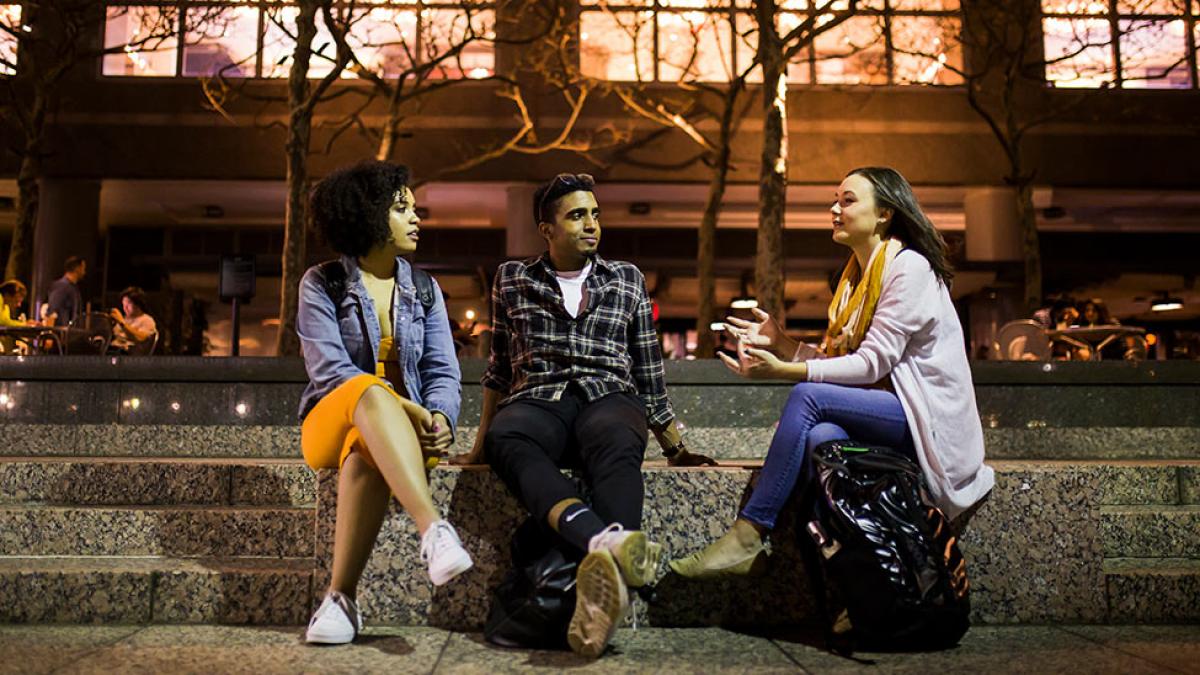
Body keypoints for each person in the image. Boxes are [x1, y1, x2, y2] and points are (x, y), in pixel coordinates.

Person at [670, 166, 994, 579]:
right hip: (890, 413)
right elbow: (845, 361)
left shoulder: (908, 268)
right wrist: (782, 342)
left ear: (885, 214)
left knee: (808, 396)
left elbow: (872, 364)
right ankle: (847, 575)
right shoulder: (856, 278)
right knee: (822, 439)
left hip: (925, 425)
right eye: (835, 200)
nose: (834, 209)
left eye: (847, 200)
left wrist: (785, 370)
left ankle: (748, 534)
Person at [453, 172, 714, 658]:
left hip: (608, 397)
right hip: (540, 399)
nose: (592, 224)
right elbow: (498, 370)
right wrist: (480, 443)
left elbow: (648, 371)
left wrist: (674, 446)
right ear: (546, 229)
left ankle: (599, 601)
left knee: (615, 438)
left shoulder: (626, 278)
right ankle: (605, 541)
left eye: (595, 213)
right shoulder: (512, 278)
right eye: (577, 215)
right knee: (509, 436)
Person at [296, 160, 472, 645]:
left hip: (403, 437)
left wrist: (439, 415)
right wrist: (404, 406)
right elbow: (330, 371)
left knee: (365, 453)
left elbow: (443, 372)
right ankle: (433, 528)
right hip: (329, 422)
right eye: (401, 209)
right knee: (370, 395)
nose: (417, 218)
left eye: (415, 208)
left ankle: (339, 601)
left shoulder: (425, 289)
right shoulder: (322, 283)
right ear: (368, 216)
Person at [109, 286, 158, 353]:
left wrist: (121, 322)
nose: (125, 307)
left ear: (138, 304)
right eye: (123, 304)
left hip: (128, 354)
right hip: (113, 350)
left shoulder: (147, 320)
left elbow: (140, 338)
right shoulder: (125, 318)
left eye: (128, 303)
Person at [45, 256, 86, 327]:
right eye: (83, 268)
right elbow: (52, 311)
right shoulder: (62, 286)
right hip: (60, 333)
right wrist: (50, 333)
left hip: (69, 333)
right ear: (77, 268)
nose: (84, 272)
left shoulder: (73, 288)